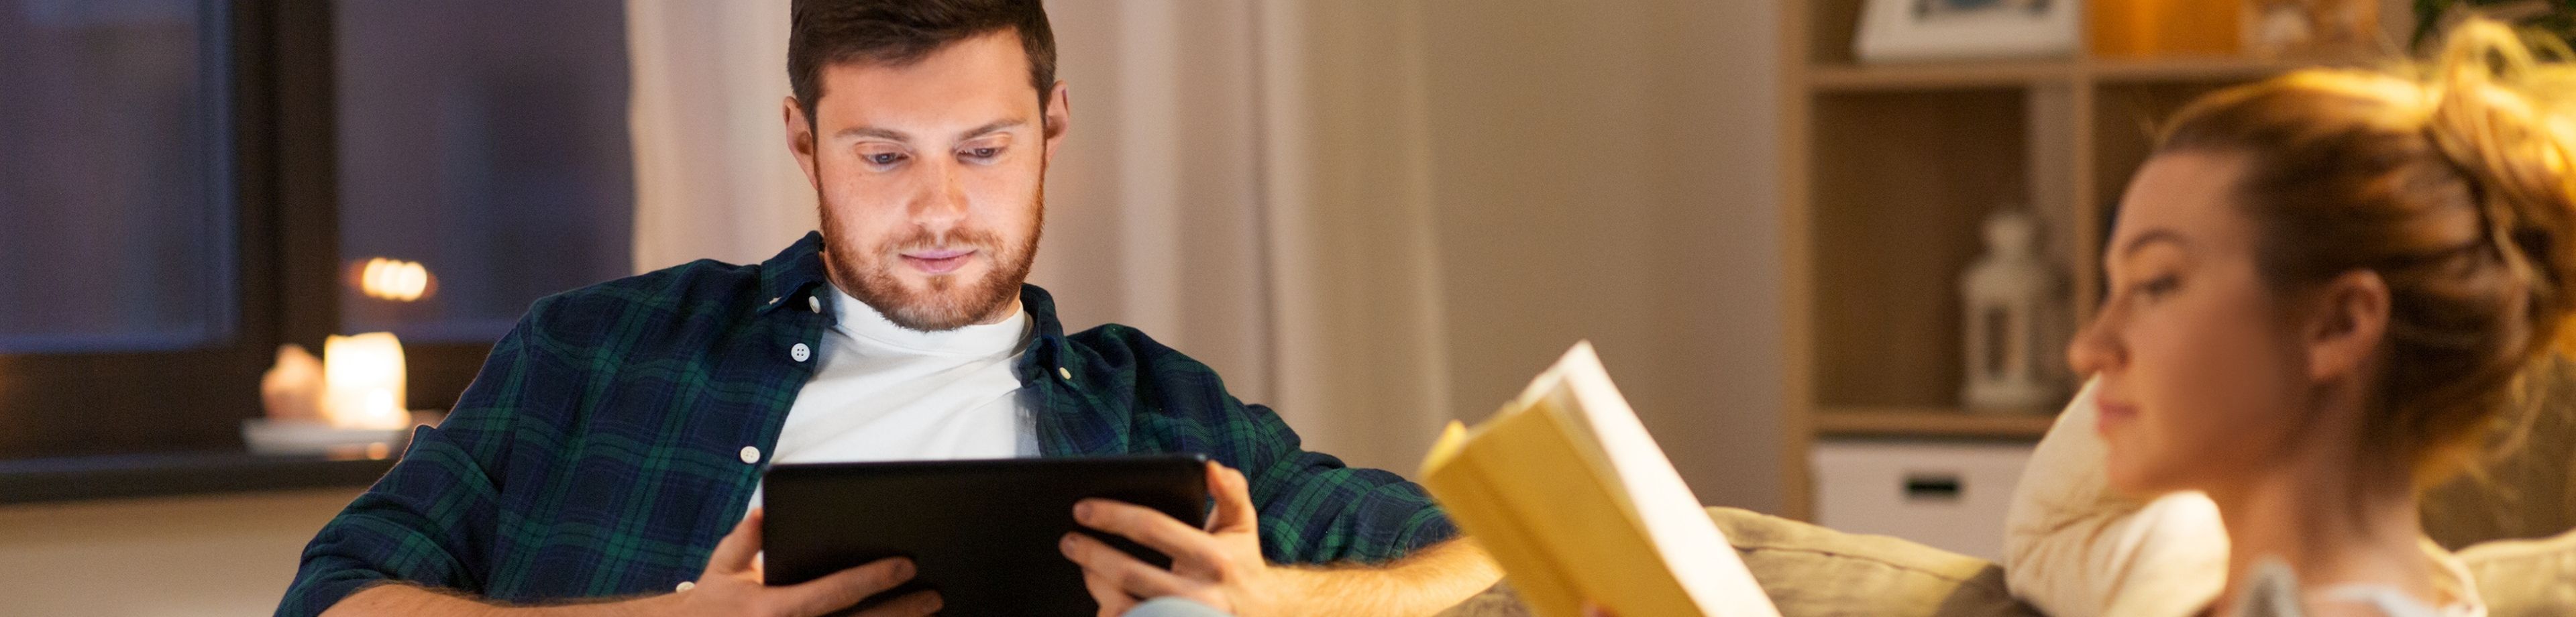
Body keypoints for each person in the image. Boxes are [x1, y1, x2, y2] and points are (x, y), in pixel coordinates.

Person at [276, 1, 1501, 616]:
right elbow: (336, 597)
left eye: (982, 149)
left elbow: (1494, 546)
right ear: (802, 139)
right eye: (882, 157)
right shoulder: (595, 354)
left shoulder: (1164, 409)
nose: (937, 209)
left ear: (1052, 128)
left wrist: (1296, 598)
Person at [2001, 19, 2576, 617]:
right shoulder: (2179, 576)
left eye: (2156, 283)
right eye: (2114, 285)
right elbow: (2060, 524)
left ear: (2340, 325)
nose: (2089, 350)